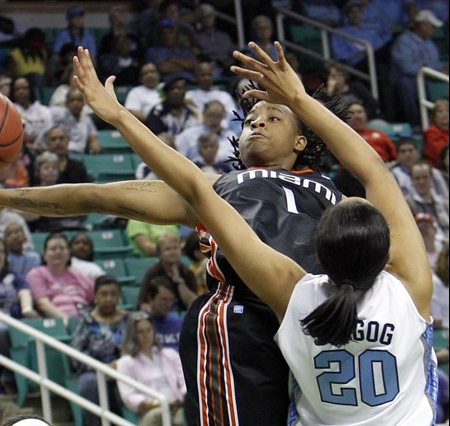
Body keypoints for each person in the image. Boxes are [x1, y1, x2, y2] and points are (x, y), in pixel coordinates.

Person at [0, 42, 347, 424]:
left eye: (272, 118)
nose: (256, 124)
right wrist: (1, 196)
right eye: (251, 120)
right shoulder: (215, 190)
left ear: (301, 139)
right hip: (243, 320)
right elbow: (96, 196)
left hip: (318, 320)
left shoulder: (339, 197)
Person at [76, 42, 437, 424]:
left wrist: (119, 116)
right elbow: (374, 170)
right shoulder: (411, 289)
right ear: (386, 254)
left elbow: (197, 189)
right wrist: (297, 97)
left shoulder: (298, 296)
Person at [70, 274, 128, 426]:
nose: (108, 298)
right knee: (89, 383)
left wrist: (121, 364)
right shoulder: (86, 321)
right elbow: (76, 356)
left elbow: (140, 346)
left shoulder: (129, 319)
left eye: (113, 294)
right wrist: (103, 368)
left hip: (128, 368)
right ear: (95, 297)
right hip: (94, 371)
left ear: (119, 296)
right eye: (104, 294)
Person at [116, 312, 185, 426]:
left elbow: (184, 381)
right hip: (151, 410)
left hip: (177, 405)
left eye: (149, 330)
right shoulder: (126, 362)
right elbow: (128, 395)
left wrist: (183, 398)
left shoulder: (170, 354)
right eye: (140, 332)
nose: (146, 335)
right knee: (158, 415)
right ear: (133, 334)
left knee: (183, 416)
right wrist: (153, 404)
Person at [390, 9, 443, 127]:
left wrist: (440, 70)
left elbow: (436, 64)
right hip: (406, 79)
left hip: (425, 78)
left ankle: (434, 123)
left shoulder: (430, 44)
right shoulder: (403, 41)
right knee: (406, 83)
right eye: (432, 26)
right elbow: (405, 67)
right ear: (423, 25)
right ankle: (415, 124)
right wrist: (428, 70)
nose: (434, 29)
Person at [26, 232, 94, 319]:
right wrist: (66, 320)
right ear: (45, 255)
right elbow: (43, 303)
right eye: (53, 249)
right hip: (58, 320)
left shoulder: (77, 274)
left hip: (85, 316)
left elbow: (96, 297)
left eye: (62, 248)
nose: (58, 252)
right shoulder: (36, 274)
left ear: (69, 254)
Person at [138, 233, 197, 313]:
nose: (172, 252)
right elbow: (142, 303)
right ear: (160, 254)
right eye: (167, 249)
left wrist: (179, 282)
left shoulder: (187, 272)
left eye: (175, 248)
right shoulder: (152, 273)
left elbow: (194, 304)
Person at [49, 90, 101, 155]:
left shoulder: (87, 120)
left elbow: (93, 138)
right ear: (66, 103)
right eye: (72, 100)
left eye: (79, 100)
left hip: (80, 154)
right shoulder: (60, 115)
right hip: (62, 152)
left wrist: (94, 145)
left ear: (84, 103)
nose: (76, 103)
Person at [193, 4, 236, 76]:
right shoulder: (196, 37)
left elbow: (232, 52)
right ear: (200, 19)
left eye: (210, 16)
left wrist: (229, 63)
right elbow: (198, 55)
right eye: (204, 17)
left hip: (228, 67)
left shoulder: (223, 36)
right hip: (210, 67)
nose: (208, 19)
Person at [142, 276, 183, 351]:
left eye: (171, 300)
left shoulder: (179, 323)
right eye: (163, 300)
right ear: (150, 298)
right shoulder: (141, 324)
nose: (168, 304)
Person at [424, 99, 449, 167]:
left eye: (447, 111)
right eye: (440, 112)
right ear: (434, 116)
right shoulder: (431, 133)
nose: (445, 114)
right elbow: (440, 154)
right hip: (438, 168)